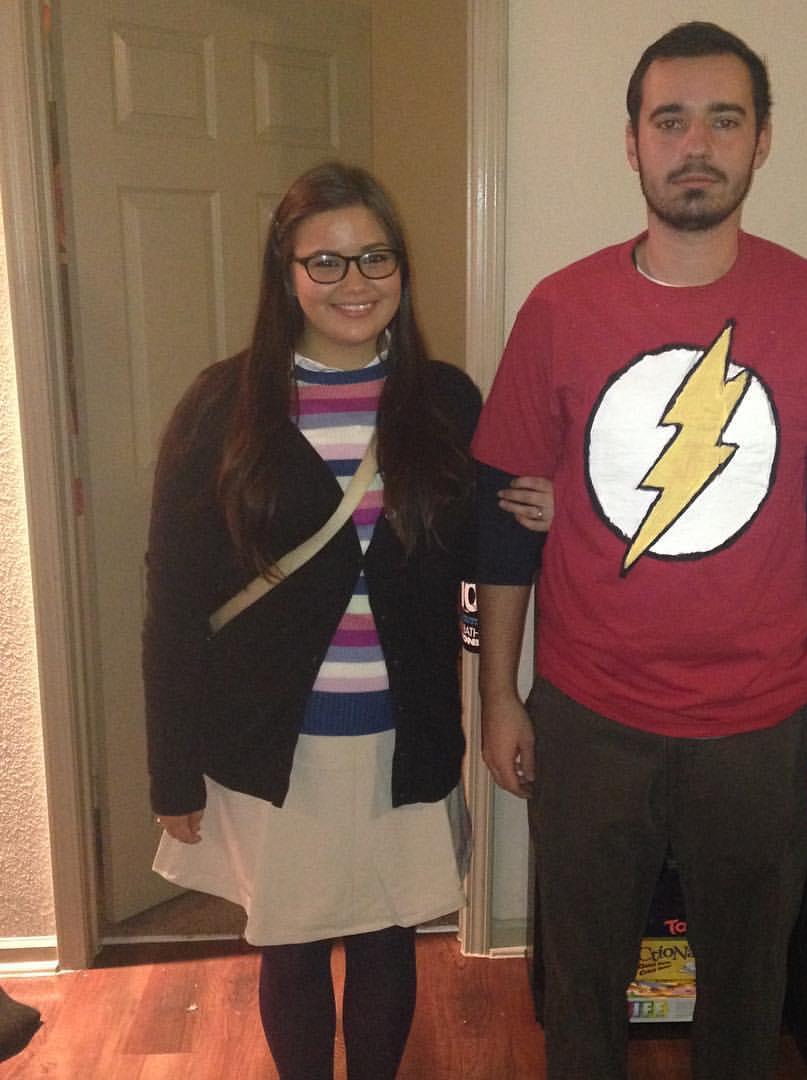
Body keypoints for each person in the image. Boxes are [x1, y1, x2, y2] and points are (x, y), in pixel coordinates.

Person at [470, 22, 807, 1080]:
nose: (696, 145)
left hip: (760, 730)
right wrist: (499, 696)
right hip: (587, 718)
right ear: (632, 142)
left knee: (750, 999)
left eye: (724, 119)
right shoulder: (559, 309)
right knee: (580, 995)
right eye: (670, 121)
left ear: (763, 140)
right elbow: (502, 521)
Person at [142, 161, 548, 1080]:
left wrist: (544, 515)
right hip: (273, 744)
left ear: (401, 268)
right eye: (324, 262)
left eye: (375, 257)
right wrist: (172, 768)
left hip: (402, 733)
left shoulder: (444, 402)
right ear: (284, 274)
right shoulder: (221, 408)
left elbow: (483, 558)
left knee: (387, 934)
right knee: (288, 944)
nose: (353, 282)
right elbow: (171, 607)